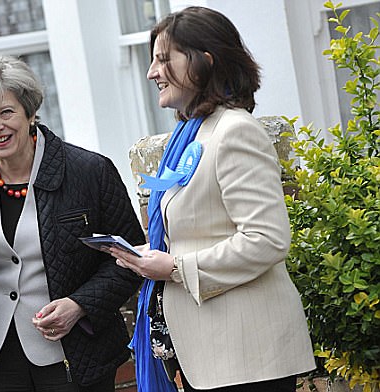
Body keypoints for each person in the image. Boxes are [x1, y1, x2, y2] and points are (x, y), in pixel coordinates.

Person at [110, 6, 316, 392]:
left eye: (163, 60)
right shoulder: (195, 133)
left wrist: (174, 267)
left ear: (204, 61)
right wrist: (145, 258)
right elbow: (200, 230)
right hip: (211, 354)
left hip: (248, 358)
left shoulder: (235, 132)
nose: (152, 73)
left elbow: (267, 240)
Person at [0, 56, 145, 392]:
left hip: (76, 356)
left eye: (6, 112)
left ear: (30, 113)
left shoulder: (90, 171)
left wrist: (80, 305)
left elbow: (131, 259)